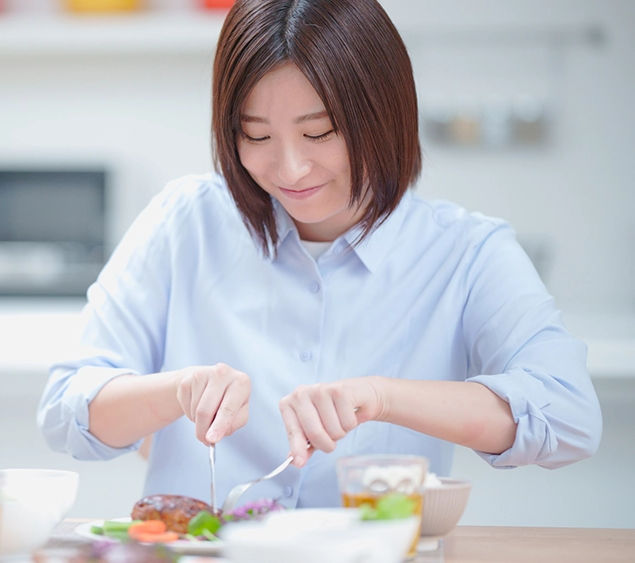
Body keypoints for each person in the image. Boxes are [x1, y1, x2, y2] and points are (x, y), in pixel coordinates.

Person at [36, 0, 602, 508]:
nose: (289, 169)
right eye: (256, 136)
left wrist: (383, 398)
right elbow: (67, 409)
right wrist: (175, 392)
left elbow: (569, 416)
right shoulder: (186, 221)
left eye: (321, 131)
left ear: (385, 114)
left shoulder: (466, 253)